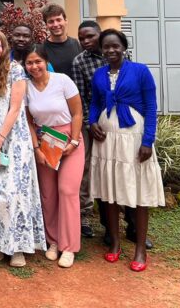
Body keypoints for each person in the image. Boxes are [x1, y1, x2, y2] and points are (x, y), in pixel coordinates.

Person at [89, 29, 164, 272]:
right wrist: (91, 123)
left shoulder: (140, 71)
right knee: (109, 190)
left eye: (115, 46)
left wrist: (148, 140)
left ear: (124, 47)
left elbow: (151, 107)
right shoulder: (99, 74)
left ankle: (140, 248)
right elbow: (95, 103)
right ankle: (115, 242)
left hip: (133, 137)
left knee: (139, 192)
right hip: (106, 139)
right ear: (101, 50)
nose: (111, 50)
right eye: (106, 47)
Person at [0, 30, 45, 266]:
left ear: (3, 48)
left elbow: (15, 108)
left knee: (15, 192)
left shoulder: (16, 71)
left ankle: (18, 247)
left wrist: (0, 138)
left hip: (14, 139)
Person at [24, 44, 85, 268]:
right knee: (48, 194)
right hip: (45, 141)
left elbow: (77, 112)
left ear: (45, 61)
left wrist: (75, 140)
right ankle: (53, 241)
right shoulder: (27, 88)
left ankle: (69, 247)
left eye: (38, 61)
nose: (34, 66)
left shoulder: (62, 81)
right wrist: (36, 148)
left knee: (67, 190)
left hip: (69, 138)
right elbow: (29, 121)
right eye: (29, 63)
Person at [71, 20, 105, 241]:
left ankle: (117, 219)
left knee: (111, 167)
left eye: (90, 36)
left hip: (118, 120)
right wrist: (90, 123)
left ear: (99, 34)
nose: (85, 41)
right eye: (82, 38)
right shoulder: (79, 61)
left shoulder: (118, 54)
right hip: (90, 122)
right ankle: (83, 215)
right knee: (84, 168)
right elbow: (80, 97)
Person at [40, 4, 81, 79]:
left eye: (58, 20)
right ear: (46, 25)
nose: (55, 24)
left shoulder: (77, 44)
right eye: (51, 21)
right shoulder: (41, 50)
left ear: (66, 21)